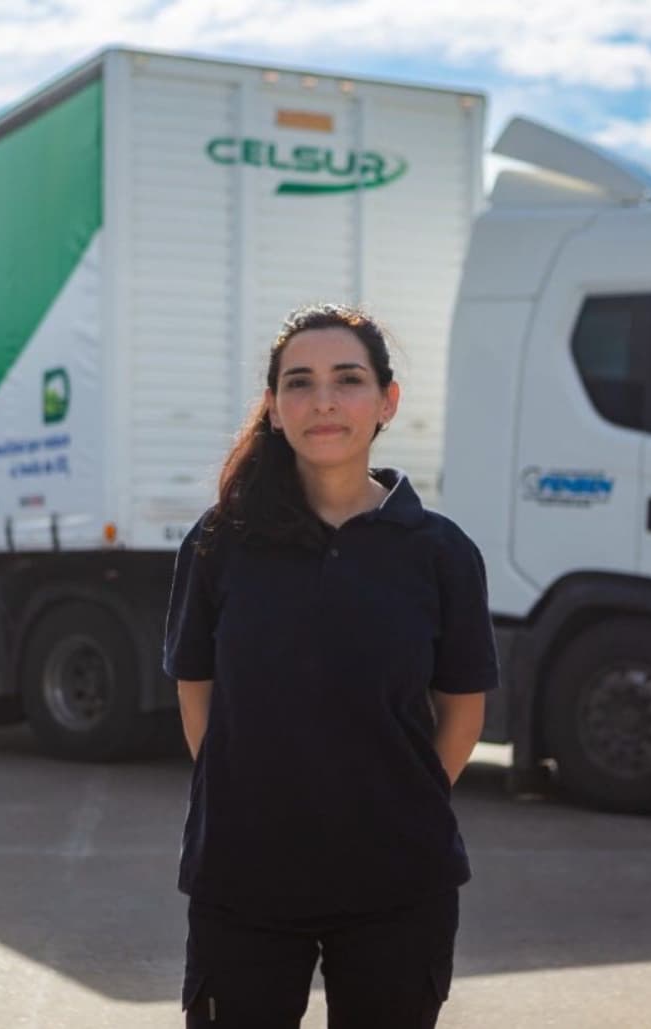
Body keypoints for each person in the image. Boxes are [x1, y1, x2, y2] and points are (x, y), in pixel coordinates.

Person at [163, 303, 500, 1028]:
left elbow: (463, 708)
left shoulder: (440, 552)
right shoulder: (221, 541)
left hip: (399, 878)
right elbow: (197, 689)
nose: (323, 401)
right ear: (274, 407)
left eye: (347, 379)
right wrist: (255, 798)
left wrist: (395, 802)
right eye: (300, 383)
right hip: (244, 875)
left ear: (387, 401)